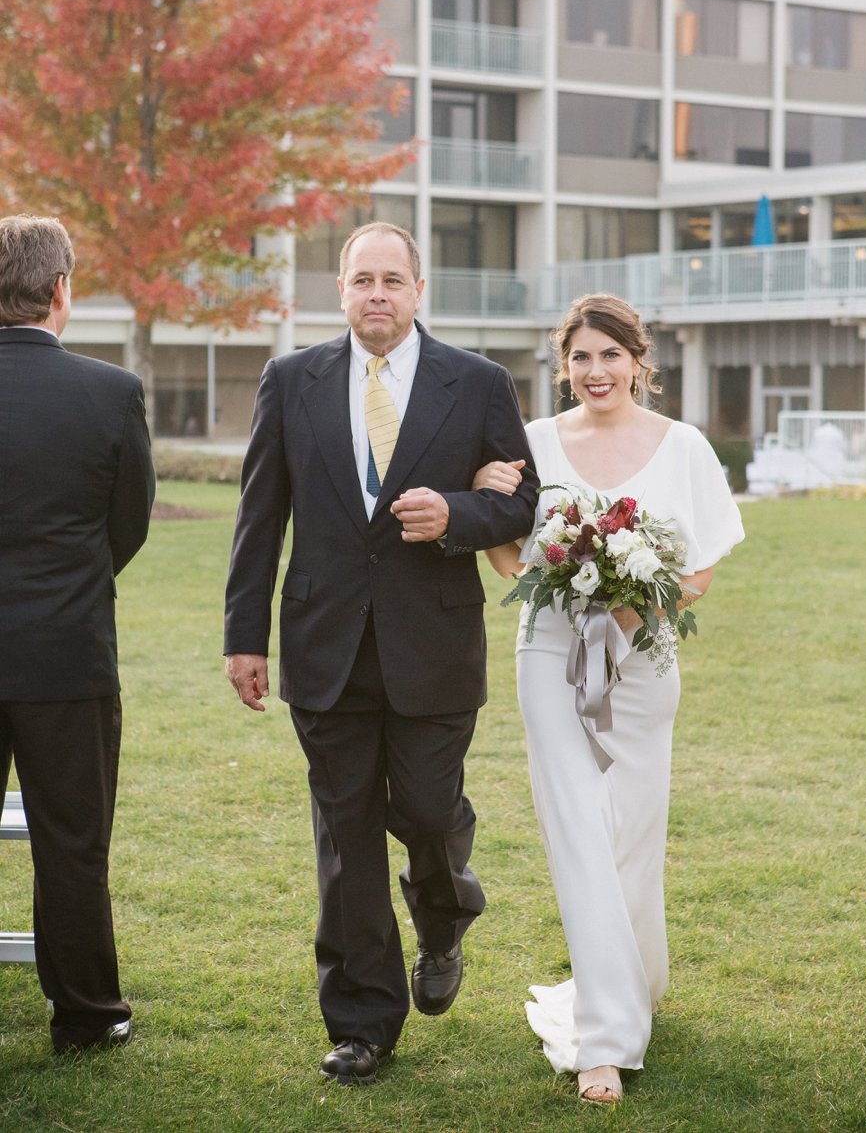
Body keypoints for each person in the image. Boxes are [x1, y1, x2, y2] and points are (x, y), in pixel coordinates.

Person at [223, 222, 538, 1086]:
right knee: (346, 834)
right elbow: (260, 518)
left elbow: (524, 505)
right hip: (324, 647)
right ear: (340, 290)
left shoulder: (476, 384)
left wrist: (459, 518)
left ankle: (444, 912)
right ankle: (363, 1021)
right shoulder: (292, 380)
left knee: (430, 813)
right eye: (362, 279)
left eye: (392, 280)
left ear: (418, 289)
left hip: (433, 644)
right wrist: (244, 636)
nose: (377, 294)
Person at [474, 293, 744, 1105]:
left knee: (632, 827)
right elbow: (507, 561)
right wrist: (489, 496)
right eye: (581, 358)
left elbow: (698, 570)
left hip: (645, 652)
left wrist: (637, 601)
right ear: (565, 367)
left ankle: (637, 979)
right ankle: (605, 1043)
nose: (596, 372)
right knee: (577, 832)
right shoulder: (532, 444)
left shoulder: (683, 446)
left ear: (638, 360)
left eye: (610, 355)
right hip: (550, 654)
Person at [0, 214, 155, 1054]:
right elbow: (125, 527)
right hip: (69, 655)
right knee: (71, 844)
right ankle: (87, 1016)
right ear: (61, 291)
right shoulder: (110, 392)